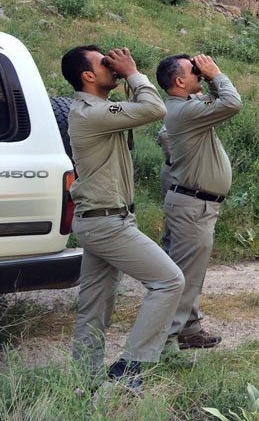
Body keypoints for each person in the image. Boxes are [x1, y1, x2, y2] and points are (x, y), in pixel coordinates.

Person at [62, 45, 184, 390]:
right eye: (104, 63)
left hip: (99, 220)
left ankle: (84, 385)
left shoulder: (97, 110)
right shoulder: (91, 113)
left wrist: (125, 76)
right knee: (169, 281)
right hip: (106, 223)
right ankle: (131, 368)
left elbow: (140, 108)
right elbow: (154, 107)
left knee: (94, 308)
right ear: (88, 76)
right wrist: (131, 72)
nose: (112, 65)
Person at [157, 54, 242, 355]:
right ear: (180, 81)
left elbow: (215, 100)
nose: (199, 72)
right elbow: (232, 103)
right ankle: (165, 345)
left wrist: (209, 79)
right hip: (193, 206)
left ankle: (188, 329)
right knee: (181, 278)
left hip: (196, 205)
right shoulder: (184, 111)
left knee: (191, 275)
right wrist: (216, 73)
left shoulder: (186, 108)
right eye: (194, 71)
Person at [156, 125, 174, 253]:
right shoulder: (180, 110)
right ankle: (169, 253)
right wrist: (177, 159)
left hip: (182, 172)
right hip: (174, 171)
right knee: (173, 218)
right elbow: (164, 135)